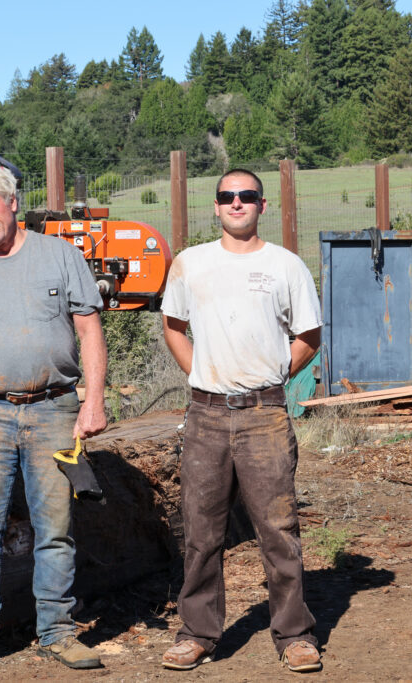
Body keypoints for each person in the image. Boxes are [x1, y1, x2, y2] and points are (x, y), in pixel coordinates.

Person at [0, 165, 108, 670]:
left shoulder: (60, 256)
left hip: (54, 408)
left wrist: (93, 400)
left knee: (54, 528)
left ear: (12, 202)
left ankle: (56, 631)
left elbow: (89, 329)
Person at [159, 168, 323, 673]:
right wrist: (203, 376)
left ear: (262, 206)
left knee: (278, 527)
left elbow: (308, 337)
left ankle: (295, 634)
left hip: (265, 417)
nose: (237, 203)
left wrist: (271, 376)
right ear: (215, 206)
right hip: (205, 417)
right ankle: (198, 633)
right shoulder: (192, 263)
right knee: (201, 530)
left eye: (246, 196)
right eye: (228, 197)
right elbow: (174, 327)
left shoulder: (286, 266)